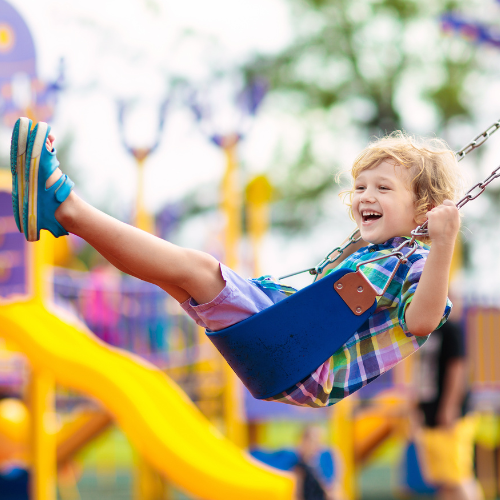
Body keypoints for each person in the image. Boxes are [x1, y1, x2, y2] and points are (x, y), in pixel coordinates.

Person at [10, 118, 461, 408]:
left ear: (424, 210)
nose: (366, 196)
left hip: (302, 361)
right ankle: (60, 217)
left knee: (197, 269)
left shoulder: (418, 262)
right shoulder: (372, 256)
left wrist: (443, 244)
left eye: (383, 188)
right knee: (173, 275)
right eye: (361, 187)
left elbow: (422, 321)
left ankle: (65, 206)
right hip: (286, 346)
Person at [415, 292, 483, 500]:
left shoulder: (451, 329)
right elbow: (423, 372)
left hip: (450, 413)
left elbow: (458, 368)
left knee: (458, 476)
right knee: (443, 479)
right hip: (431, 409)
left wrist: (450, 406)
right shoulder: (427, 333)